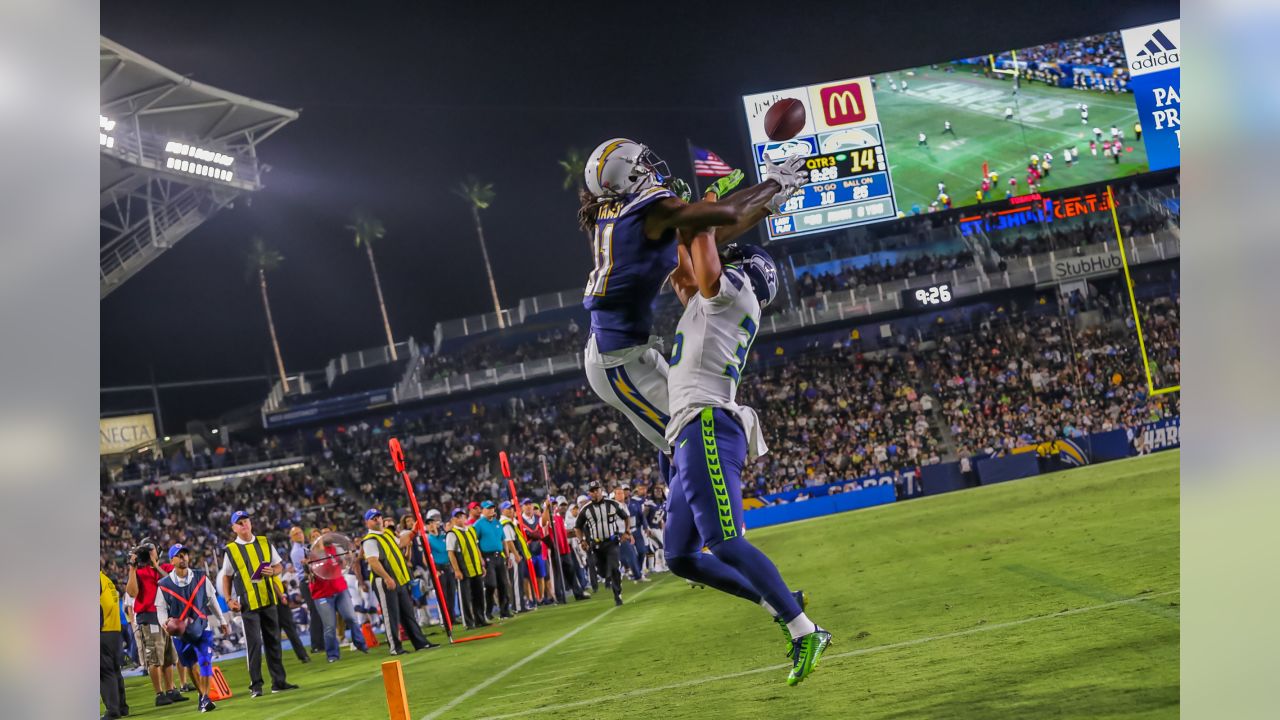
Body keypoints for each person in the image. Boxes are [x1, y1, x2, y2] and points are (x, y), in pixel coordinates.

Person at [577, 139, 805, 494]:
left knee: (678, 436)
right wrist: (774, 185)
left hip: (627, 351)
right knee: (688, 438)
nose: (651, 169)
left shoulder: (620, 210)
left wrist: (765, 205)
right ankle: (694, 535)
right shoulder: (648, 212)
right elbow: (718, 219)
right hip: (617, 363)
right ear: (630, 175)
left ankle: (683, 534)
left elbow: (704, 239)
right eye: (643, 164)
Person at [664, 234, 830, 686]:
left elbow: (698, 246)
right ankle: (778, 600)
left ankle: (804, 630)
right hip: (687, 428)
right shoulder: (717, 298)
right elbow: (681, 270)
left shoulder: (732, 294)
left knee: (725, 541)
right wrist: (663, 225)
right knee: (679, 556)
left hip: (707, 425)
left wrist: (702, 210)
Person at [220, 510, 298, 697]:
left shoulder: (264, 542)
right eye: (239, 523)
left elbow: (278, 565)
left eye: (246, 521)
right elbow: (227, 576)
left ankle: (279, 682)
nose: (244, 524)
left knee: (274, 642)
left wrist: (274, 571)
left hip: (268, 598)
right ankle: (256, 685)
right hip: (248, 604)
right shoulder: (231, 550)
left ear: (250, 523)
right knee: (254, 644)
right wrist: (229, 599)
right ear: (234, 528)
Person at [156, 544, 230, 713]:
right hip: (180, 634)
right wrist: (165, 623)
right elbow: (160, 608)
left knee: (205, 662)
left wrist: (222, 621)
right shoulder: (163, 584)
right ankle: (202, 695)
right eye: (179, 555)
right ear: (172, 560)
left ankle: (205, 698)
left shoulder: (201, 577)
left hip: (202, 628)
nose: (183, 558)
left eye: (185, 555)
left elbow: (212, 600)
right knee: (190, 667)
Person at [361, 509, 436, 654]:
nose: (377, 520)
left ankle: (420, 643)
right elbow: (373, 562)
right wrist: (387, 578)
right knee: (391, 615)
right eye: (373, 518)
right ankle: (395, 647)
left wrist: (414, 532)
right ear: (367, 523)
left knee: (408, 612)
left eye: (378, 517)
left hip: (398, 579)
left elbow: (401, 543)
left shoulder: (387, 534)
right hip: (384, 580)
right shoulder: (370, 540)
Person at [123, 538, 186, 706]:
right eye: (146, 551)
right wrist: (132, 568)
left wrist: (155, 565)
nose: (149, 553)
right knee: (155, 658)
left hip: (165, 617)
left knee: (168, 656)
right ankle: (159, 694)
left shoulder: (164, 568)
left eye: (151, 550)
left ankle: (171, 690)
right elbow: (132, 593)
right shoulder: (138, 572)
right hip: (148, 616)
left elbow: (174, 582)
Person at [309, 533, 368, 662]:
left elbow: (343, 565)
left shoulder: (335, 549)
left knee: (351, 618)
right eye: (316, 537)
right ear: (313, 541)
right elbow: (310, 575)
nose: (321, 538)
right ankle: (332, 655)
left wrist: (346, 559)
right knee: (330, 626)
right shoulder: (310, 555)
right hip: (322, 594)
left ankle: (361, 644)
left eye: (321, 535)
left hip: (340, 588)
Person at [573, 480, 630, 605]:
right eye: (592, 491)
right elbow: (577, 527)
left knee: (614, 568)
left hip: (612, 542)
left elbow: (626, 517)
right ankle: (606, 577)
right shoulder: (586, 509)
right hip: (597, 545)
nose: (595, 493)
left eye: (597, 490)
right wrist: (581, 540)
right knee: (603, 573)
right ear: (590, 493)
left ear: (601, 490)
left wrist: (627, 532)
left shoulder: (612, 504)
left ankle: (617, 594)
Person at [446, 508, 488, 628]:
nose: (460, 519)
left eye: (462, 516)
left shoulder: (470, 530)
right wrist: (457, 570)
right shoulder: (452, 534)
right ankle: (469, 622)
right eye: (457, 517)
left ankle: (480, 619)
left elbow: (476, 547)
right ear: (453, 519)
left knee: (479, 594)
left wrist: (481, 563)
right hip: (464, 569)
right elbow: (451, 553)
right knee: (465, 597)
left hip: (475, 567)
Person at [472, 500, 515, 618]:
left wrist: (507, 556)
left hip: (499, 556)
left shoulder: (497, 523)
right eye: (488, 508)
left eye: (492, 508)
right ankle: (489, 611)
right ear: (483, 510)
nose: (491, 510)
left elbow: (503, 540)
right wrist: (480, 559)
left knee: (503, 584)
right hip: (487, 557)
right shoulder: (478, 524)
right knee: (491, 584)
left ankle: (504, 611)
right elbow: (475, 543)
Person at [288, 526, 325, 655]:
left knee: (317, 612)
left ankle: (319, 643)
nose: (299, 535)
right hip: (306, 582)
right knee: (315, 612)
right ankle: (316, 644)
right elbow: (307, 568)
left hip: (308, 581)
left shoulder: (302, 548)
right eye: (296, 534)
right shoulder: (297, 551)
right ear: (292, 538)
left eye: (300, 532)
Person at [100, 568, 129, 720]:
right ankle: (122, 707)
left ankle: (112, 710)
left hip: (102, 631)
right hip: (114, 630)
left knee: (104, 673)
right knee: (114, 670)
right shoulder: (106, 580)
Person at [424, 510, 460, 625]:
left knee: (451, 593)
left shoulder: (444, 535)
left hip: (449, 566)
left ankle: (452, 618)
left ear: (436, 523)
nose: (431, 525)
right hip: (438, 568)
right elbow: (425, 558)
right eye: (428, 524)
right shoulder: (427, 539)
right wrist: (434, 570)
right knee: (442, 595)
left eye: (432, 523)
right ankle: (445, 620)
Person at [614, 486, 645, 582]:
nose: (621, 495)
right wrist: (619, 534)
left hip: (626, 533)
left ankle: (635, 574)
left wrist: (628, 533)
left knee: (632, 555)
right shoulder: (613, 506)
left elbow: (627, 521)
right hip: (619, 534)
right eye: (618, 494)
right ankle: (636, 576)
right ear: (614, 496)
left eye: (622, 493)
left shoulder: (623, 505)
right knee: (630, 555)